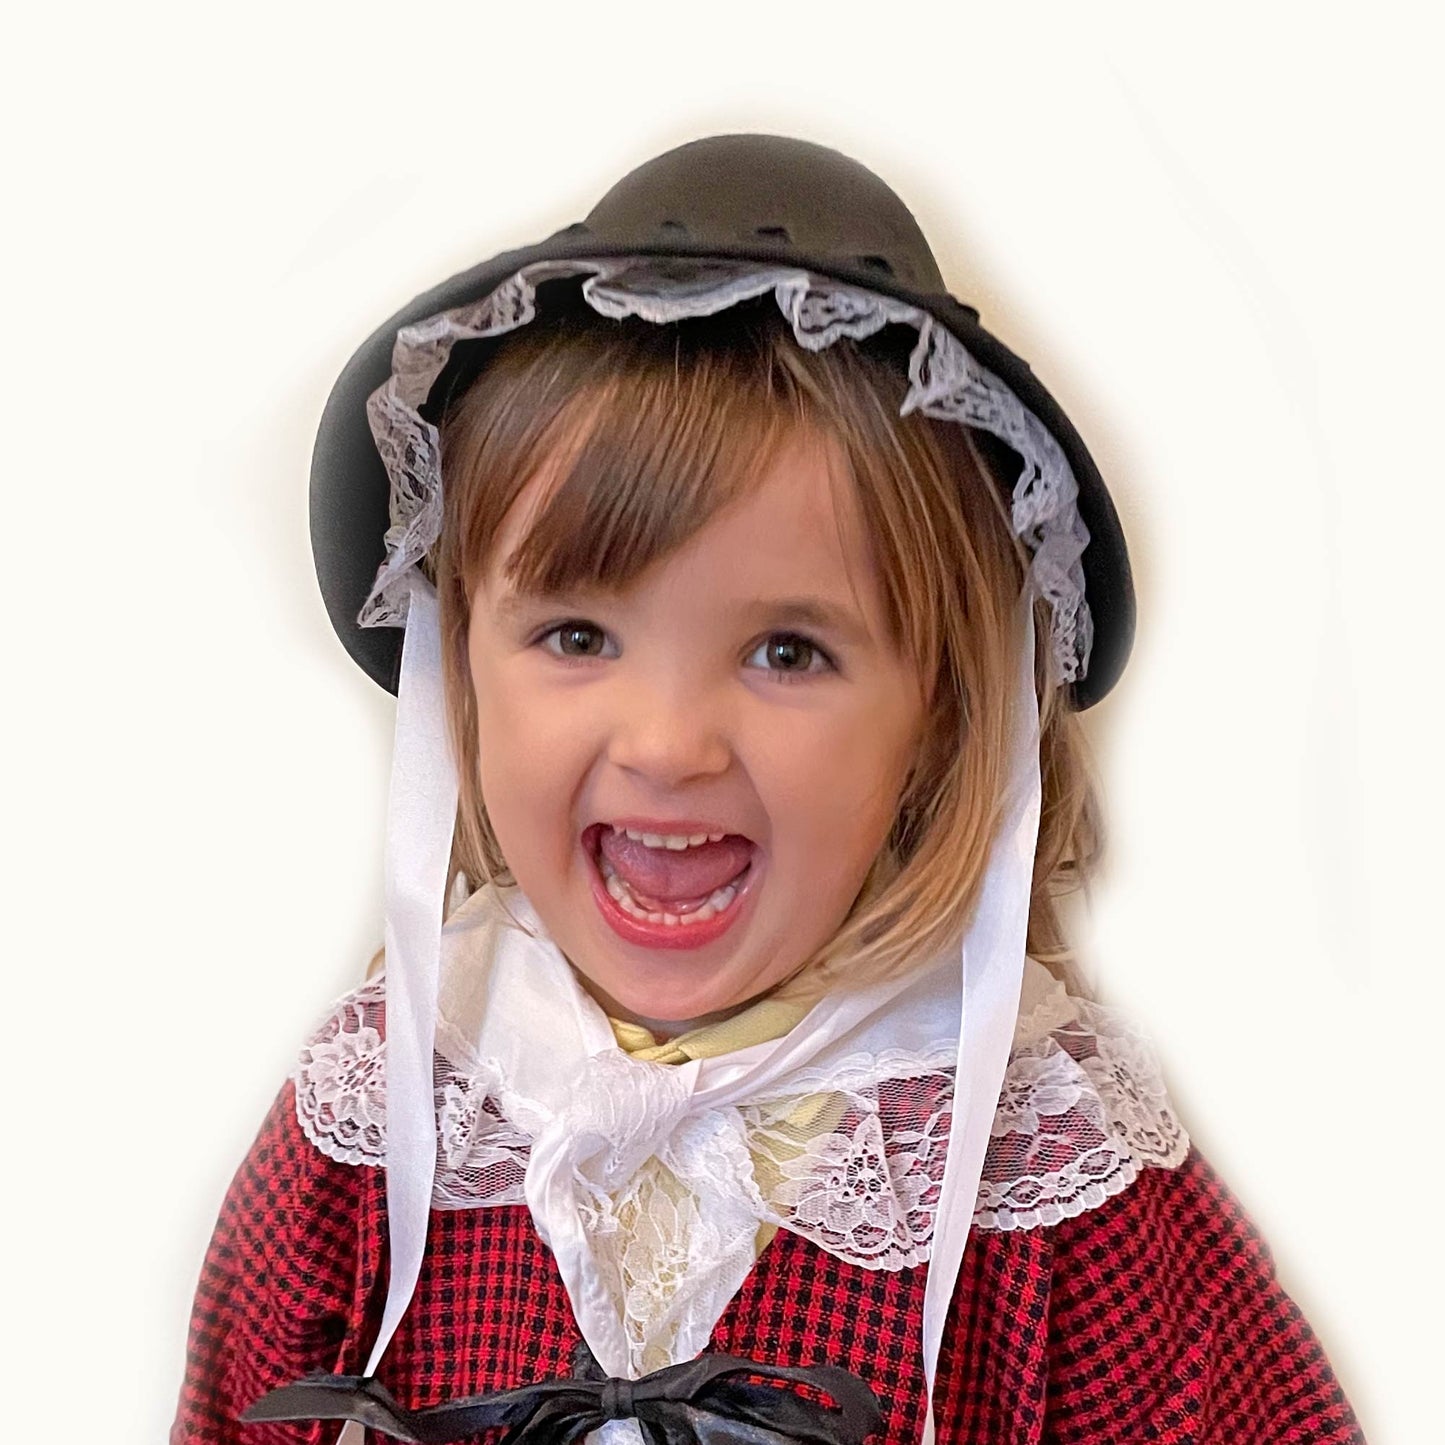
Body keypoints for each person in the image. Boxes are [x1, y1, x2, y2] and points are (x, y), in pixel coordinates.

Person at [170, 135, 1366, 1444]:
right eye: (576, 635)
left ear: (941, 714)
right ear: (462, 673)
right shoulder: (386, 1119)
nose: (669, 741)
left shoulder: (1058, 1194)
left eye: (786, 651)